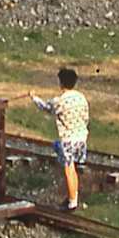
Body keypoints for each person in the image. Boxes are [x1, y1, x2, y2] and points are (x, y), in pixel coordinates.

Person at [27, 66, 89, 210]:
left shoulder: (59, 101)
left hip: (68, 139)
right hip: (81, 137)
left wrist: (33, 97)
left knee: (68, 169)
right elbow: (86, 117)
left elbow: (45, 107)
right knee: (72, 167)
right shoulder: (82, 97)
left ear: (61, 82)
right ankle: (74, 196)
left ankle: (72, 202)